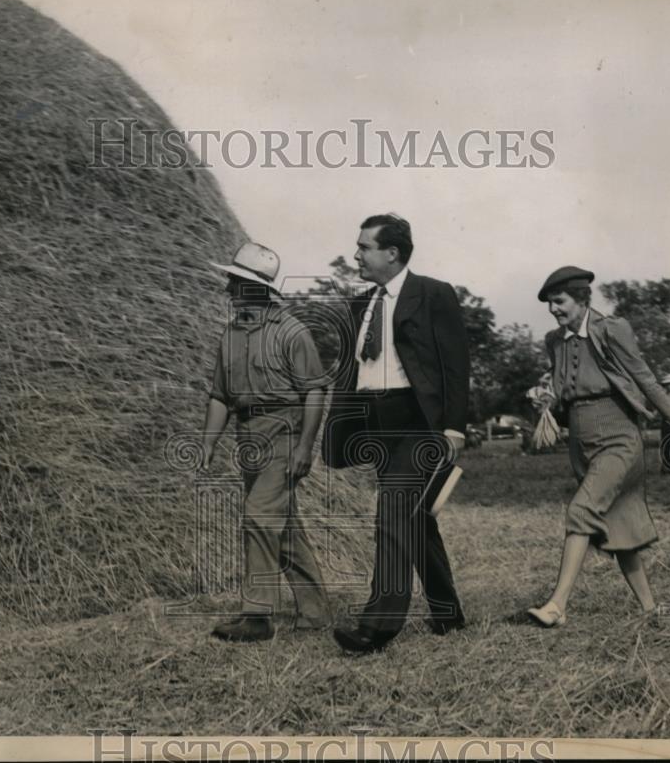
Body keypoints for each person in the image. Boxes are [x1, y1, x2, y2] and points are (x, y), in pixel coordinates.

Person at [322, 214, 469, 654]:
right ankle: (447, 613)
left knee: (392, 513)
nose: (356, 255)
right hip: (374, 423)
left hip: (417, 421)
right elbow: (351, 372)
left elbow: (456, 365)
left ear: (393, 253)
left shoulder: (433, 295)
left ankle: (378, 623)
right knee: (412, 517)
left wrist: (454, 427)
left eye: (364, 247)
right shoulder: (359, 305)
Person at [527, 266, 670, 627]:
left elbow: (646, 381)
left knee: (581, 511)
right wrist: (544, 398)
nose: (553, 310)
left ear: (581, 298)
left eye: (559, 302)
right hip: (580, 441)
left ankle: (557, 605)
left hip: (620, 438)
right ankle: (651, 611)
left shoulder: (612, 329)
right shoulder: (553, 341)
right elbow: (561, 392)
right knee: (618, 527)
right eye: (550, 304)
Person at [200, 242, 332, 642]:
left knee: (258, 516)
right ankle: (316, 612)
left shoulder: (292, 333)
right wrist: (208, 442)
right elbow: (220, 395)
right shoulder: (230, 335)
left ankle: (257, 616)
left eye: (235, 281)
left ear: (255, 287)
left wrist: (305, 447)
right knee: (283, 526)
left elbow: (314, 392)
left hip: (283, 432)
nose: (227, 288)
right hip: (248, 438)